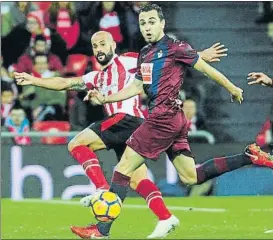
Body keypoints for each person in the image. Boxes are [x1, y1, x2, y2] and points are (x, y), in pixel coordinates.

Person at [14, 28, 230, 238]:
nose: (99, 48)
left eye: (102, 44)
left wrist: (199, 55)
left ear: (113, 45)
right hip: (132, 129)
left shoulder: (128, 61)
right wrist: (35, 80)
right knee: (137, 180)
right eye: (95, 46)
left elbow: (164, 61)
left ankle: (100, 189)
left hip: (125, 120)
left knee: (76, 144)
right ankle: (165, 217)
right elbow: (64, 82)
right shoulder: (96, 78)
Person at [83, 4, 273, 239]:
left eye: (152, 22)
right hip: (172, 118)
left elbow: (206, 69)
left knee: (122, 170)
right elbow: (136, 87)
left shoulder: (175, 47)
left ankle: (102, 230)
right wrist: (106, 97)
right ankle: (248, 156)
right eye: (143, 23)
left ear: (162, 23)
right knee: (190, 176)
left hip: (163, 117)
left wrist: (232, 87)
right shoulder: (145, 53)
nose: (147, 27)